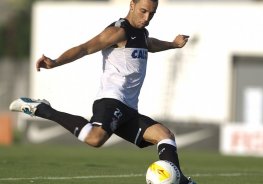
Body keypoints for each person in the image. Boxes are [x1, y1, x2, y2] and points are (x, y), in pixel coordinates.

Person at [10, 0, 195, 183]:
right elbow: (85, 48)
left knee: (165, 136)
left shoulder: (142, 33)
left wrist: (172, 44)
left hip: (129, 109)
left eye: (152, 14)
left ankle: (182, 181)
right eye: (143, 11)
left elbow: (150, 44)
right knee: (95, 138)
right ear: (132, 5)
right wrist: (55, 62)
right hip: (111, 100)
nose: (147, 18)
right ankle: (42, 109)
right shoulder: (118, 31)